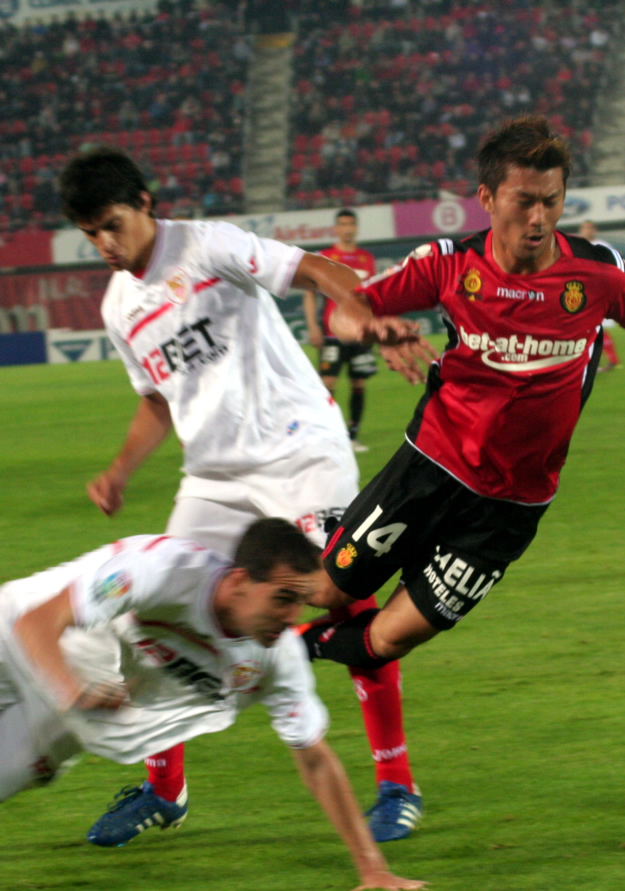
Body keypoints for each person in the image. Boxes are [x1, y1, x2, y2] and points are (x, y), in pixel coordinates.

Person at [62, 149, 434, 844]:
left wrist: (364, 316)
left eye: (112, 225)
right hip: (214, 476)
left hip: (300, 450)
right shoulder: (118, 305)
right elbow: (157, 400)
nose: (106, 244)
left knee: (340, 594)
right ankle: (164, 789)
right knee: (156, 610)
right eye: (91, 235)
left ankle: (396, 783)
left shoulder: (208, 246)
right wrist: (119, 471)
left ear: (144, 203)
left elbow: (317, 269)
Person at [0, 519, 426, 891]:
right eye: (283, 599)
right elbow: (41, 621)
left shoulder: (273, 658)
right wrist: (70, 692)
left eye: (300, 602)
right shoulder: (162, 568)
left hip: (74, 711)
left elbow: (315, 758)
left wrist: (370, 867)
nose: (292, 618)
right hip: (19, 633)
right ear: (237, 582)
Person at [302, 115, 625, 679]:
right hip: (431, 465)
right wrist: (370, 328)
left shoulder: (597, 272)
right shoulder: (449, 263)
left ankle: (291, 651)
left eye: (551, 202)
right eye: (524, 201)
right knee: (326, 589)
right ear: (487, 197)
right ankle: (258, 589)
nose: (538, 218)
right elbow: (347, 311)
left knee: (389, 638)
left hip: (512, 505)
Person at [304, 208, 378, 451]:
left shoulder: (366, 259)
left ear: (356, 227)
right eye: (343, 224)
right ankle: (328, 435)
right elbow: (310, 294)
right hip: (332, 333)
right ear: (336, 228)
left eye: (351, 224)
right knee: (328, 384)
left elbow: (374, 295)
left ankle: (352, 436)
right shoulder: (325, 257)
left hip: (360, 333)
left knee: (359, 384)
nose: (347, 229)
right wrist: (313, 326)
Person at [576, 220, 623, 372]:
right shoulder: (576, 247)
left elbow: (613, 267)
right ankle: (609, 360)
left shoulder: (602, 246)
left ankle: (594, 361)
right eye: (585, 228)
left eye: (590, 228)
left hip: (598, 291)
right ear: (581, 230)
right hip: (583, 291)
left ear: (594, 230)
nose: (587, 231)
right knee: (589, 326)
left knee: (593, 326)